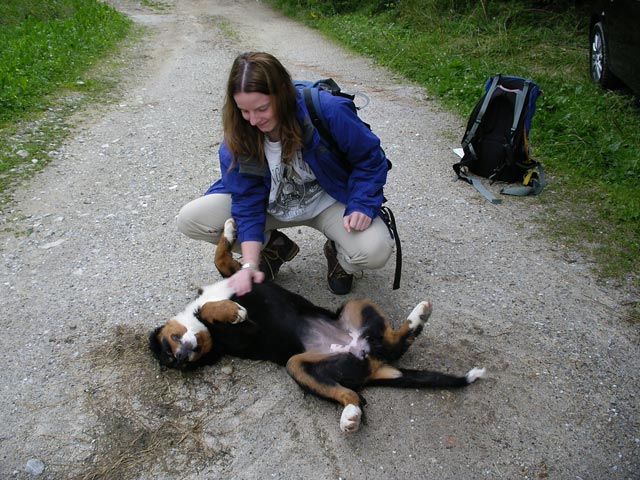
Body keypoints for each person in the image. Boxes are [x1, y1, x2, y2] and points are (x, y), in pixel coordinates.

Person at [177, 52, 394, 296]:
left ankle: (338, 254)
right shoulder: (238, 136)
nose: (253, 121)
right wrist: (249, 264)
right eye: (244, 111)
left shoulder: (328, 110)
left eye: (262, 108)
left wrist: (362, 203)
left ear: (283, 93)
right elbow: (247, 202)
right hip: (270, 206)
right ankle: (273, 248)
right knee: (191, 220)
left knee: (375, 251)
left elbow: (370, 159)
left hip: (329, 202)